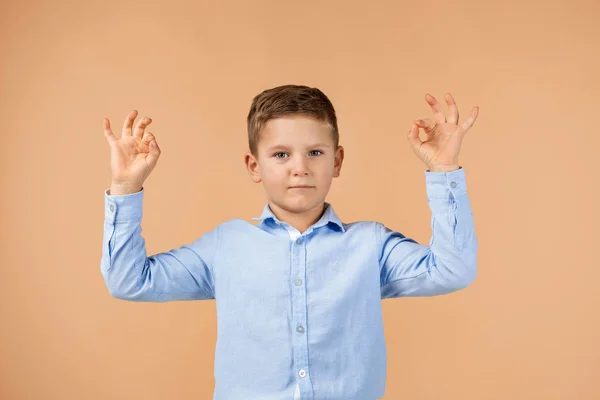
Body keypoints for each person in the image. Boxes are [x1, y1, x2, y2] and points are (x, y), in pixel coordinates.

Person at [100, 84, 479, 400]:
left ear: (337, 161)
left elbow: (452, 270)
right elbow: (130, 281)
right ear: (254, 166)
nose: (300, 167)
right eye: (280, 154)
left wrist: (443, 169)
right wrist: (126, 186)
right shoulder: (226, 245)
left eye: (315, 152)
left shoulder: (371, 246)